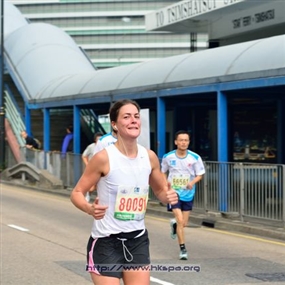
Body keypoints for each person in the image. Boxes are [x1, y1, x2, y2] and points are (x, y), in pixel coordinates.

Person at [70, 99, 178, 285]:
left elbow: (160, 190)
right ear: (114, 124)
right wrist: (89, 209)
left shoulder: (149, 157)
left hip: (137, 240)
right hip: (106, 242)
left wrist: (167, 196)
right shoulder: (104, 158)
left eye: (136, 116)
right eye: (126, 117)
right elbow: (77, 192)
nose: (133, 120)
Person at [161, 130, 205, 260]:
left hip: (188, 193)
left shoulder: (195, 158)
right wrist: (165, 185)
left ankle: (175, 225)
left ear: (189, 142)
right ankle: (183, 249)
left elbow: (200, 175)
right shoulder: (168, 157)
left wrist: (192, 182)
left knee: (183, 223)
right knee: (180, 219)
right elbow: (162, 172)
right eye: (181, 140)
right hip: (174, 193)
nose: (183, 142)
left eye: (186, 140)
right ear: (176, 142)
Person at [82, 132, 103, 202]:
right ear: (95, 140)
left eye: (101, 139)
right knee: (93, 186)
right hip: (93, 169)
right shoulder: (91, 147)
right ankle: (88, 194)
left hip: (102, 169)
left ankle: (100, 200)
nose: (100, 140)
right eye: (98, 139)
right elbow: (84, 156)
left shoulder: (105, 147)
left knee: (101, 185)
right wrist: (88, 165)